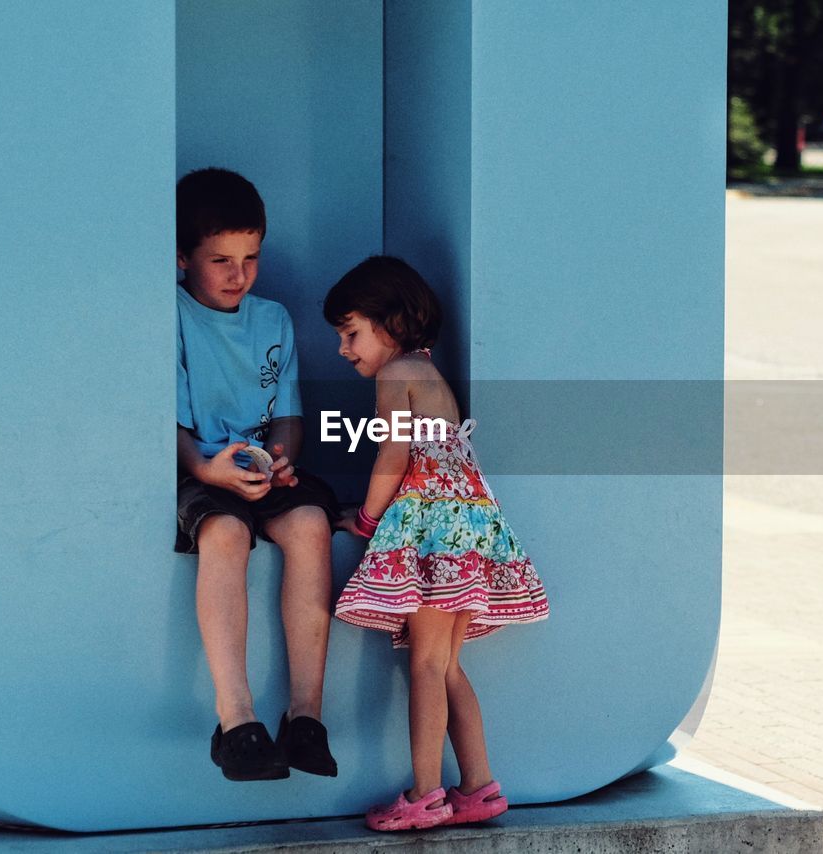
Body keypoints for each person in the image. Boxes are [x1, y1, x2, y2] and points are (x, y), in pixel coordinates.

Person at [323, 255, 549, 830]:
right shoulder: (431, 373)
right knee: (447, 665)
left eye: (351, 334)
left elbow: (395, 454)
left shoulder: (395, 374)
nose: (344, 349)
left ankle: (425, 794)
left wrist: (368, 519)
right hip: (468, 525)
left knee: (424, 664)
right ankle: (479, 786)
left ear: (391, 323)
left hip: (431, 529)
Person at [175, 167, 341, 781]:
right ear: (181, 258)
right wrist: (204, 467)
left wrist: (283, 456)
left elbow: (290, 416)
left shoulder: (272, 320)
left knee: (310, 526)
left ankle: (306, 719)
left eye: (250, 257)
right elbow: (169, 425)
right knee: (225, 535)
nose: (238, 274)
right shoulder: (171, 315)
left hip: (261, 471)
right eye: (220, 259)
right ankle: (236, 721)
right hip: (201, 467)